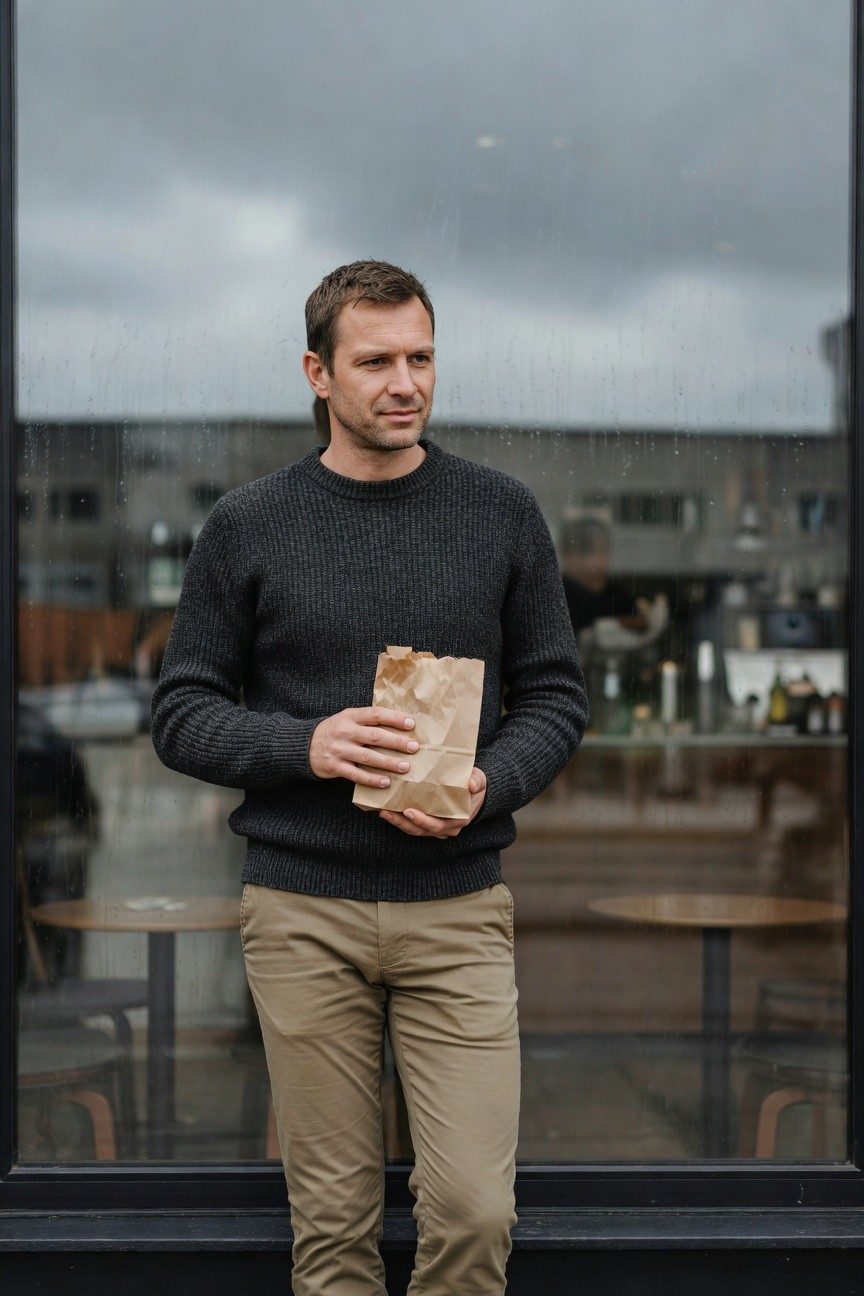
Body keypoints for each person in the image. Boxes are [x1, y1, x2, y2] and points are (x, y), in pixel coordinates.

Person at [151, 260, 587, 1296]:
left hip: (459, 907)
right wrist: (305, 745)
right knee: (335, 1232)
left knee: (478, 1214)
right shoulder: (249, 524)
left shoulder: (500, 513)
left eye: (422, 357)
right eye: (377, 360)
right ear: (318, 373)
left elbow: (558, 698)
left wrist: (491, 782)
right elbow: (180, 711)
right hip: (303, 909)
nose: (407, 382)